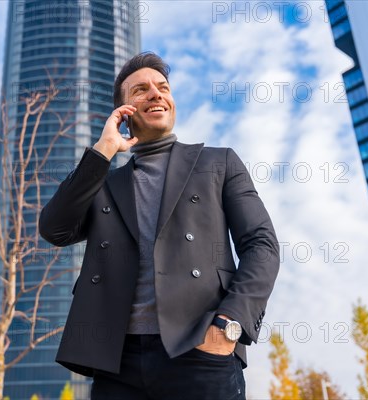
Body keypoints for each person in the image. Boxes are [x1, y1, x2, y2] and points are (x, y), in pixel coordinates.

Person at [39, 52, 279, 399]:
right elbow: (55, 229)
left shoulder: (218, 161)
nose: (155, 93)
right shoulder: (104, 183)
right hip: (116, 363)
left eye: (162, 87)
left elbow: (262, 246)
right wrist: (103, 150)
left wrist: (228, 325)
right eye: (140, 90)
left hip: (199, 348)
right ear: (124, 113)